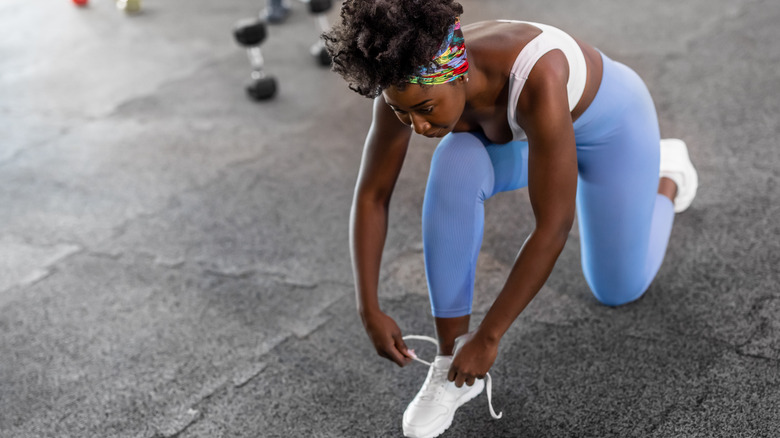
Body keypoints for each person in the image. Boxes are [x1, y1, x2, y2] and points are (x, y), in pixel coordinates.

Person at [323, 1, 698, 437]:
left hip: (614, 135)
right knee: (455, 161)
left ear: (457, 74)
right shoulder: (402, 82)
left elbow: (553, 226)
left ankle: (666, 173)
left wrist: (489, 336)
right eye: (403, 113)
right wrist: (368, 307)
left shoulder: (536, 75)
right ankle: (450, 366)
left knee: (617, 290)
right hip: (534, 140)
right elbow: (373, 195)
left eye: (425, 109)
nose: (417, 126)